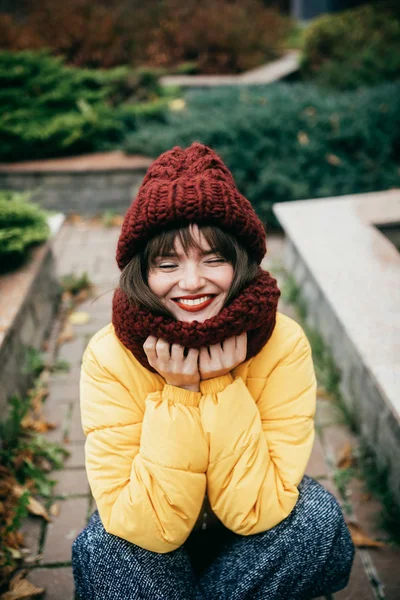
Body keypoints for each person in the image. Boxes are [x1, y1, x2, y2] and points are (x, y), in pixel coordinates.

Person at [72, 142, 354, 600]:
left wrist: (220, 386)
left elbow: (258, 511)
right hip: (155, 530)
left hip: (248, 537)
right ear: (142, 273)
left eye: (213, 259)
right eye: (168, 264)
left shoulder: (283, 344)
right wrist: (180, 392)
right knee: (105, 547)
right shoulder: (109, 356)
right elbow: (147, 526)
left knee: (316, 522)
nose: (191, 282)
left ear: (240, 260)